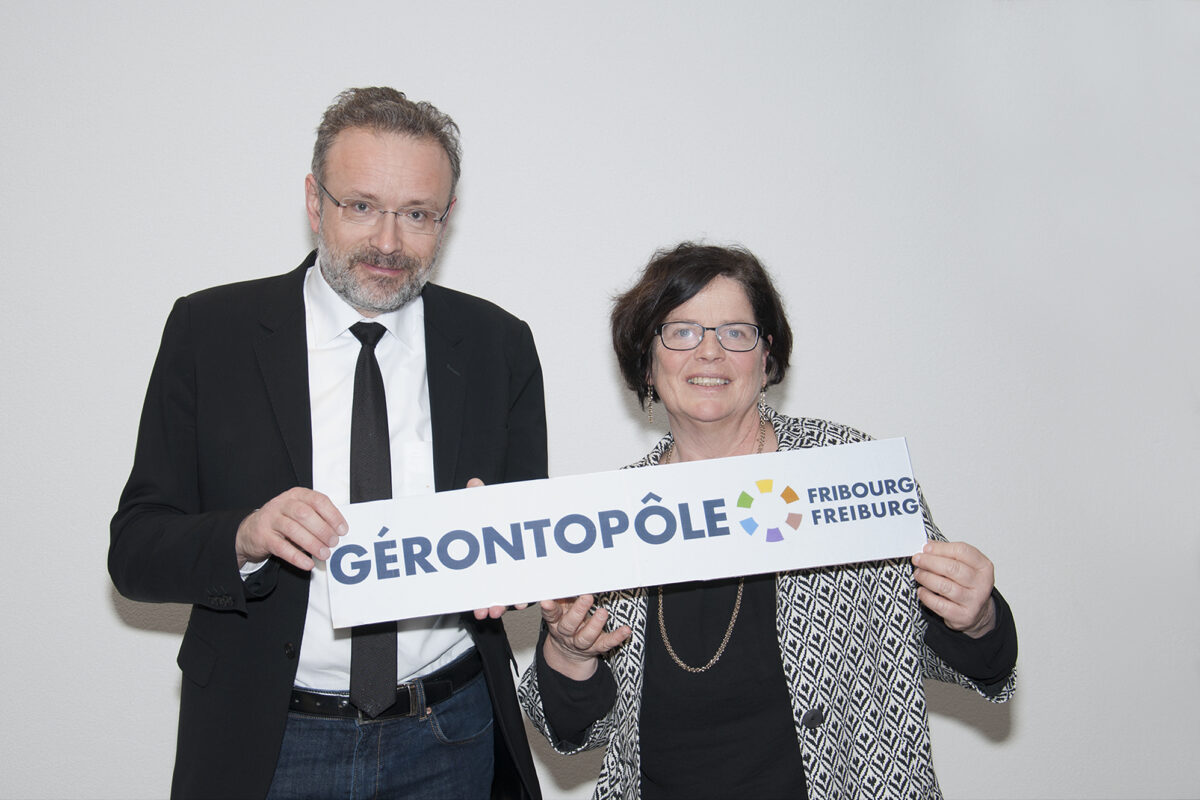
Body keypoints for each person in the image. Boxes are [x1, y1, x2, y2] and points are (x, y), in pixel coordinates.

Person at [110, 87, 544, 800]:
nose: (388, 243)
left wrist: (506, 553)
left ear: (447, 218)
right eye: (362, 206)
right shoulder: (209, 333)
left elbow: (526, 557)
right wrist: (244, 536)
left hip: (451, 734)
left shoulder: (499, 344)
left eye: (417, 214)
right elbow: (134, 552)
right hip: (269, 739)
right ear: (315, 203)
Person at [518, 243, 1017, 799]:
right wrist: (570, 654)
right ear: (647, 362)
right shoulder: (613, 514)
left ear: (766, 357)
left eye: (736, 332)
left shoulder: (842, 468)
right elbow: (571, 729)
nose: (710, 352)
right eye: (681, 332)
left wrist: (978, 618)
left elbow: (972, 658)